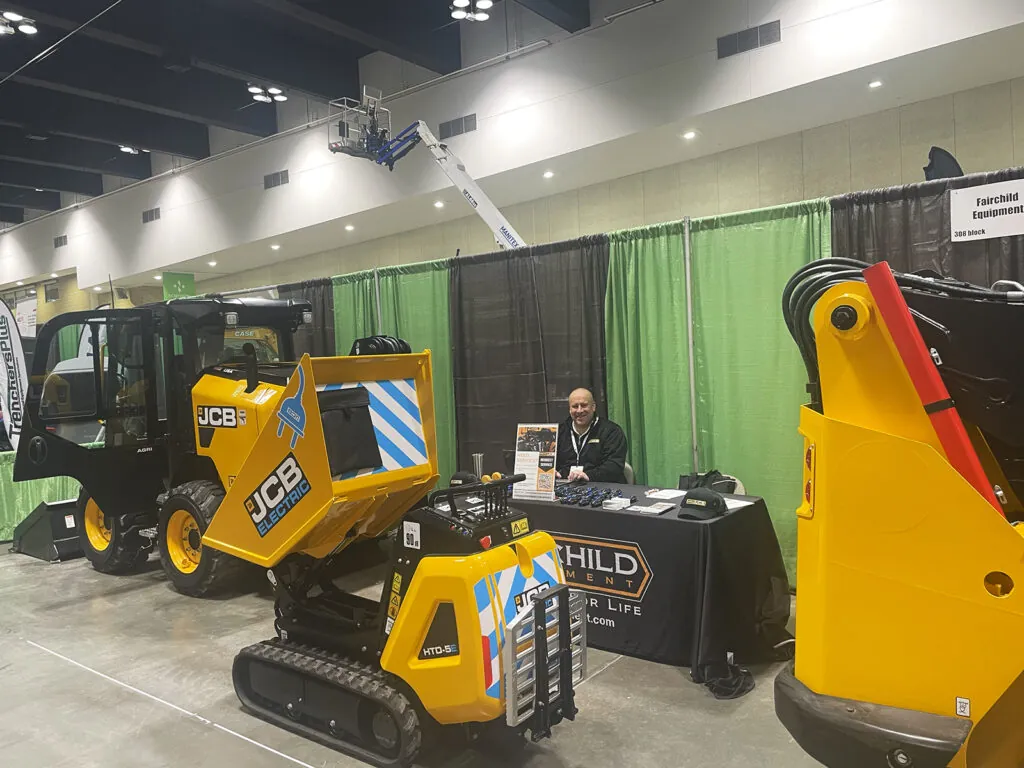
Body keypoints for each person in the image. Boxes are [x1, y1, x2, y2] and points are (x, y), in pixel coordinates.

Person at [555, 388, 628, 483]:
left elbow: (614, 466)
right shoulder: (559, 432)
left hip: (603, 486)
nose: (579, 410)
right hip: (566, 487)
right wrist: (552, 472)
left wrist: (588, 475)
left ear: (593, 407)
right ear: (570, 409)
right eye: (575, 406)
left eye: (584, 405)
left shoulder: (612, 431)